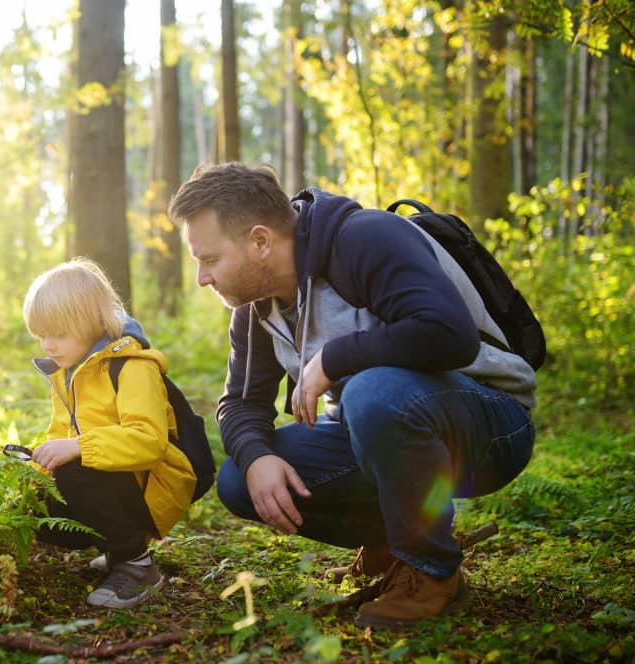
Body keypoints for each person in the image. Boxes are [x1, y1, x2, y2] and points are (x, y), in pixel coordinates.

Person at [168, 163, 536, 629]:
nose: (202, 278)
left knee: (370, 392)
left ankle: (431, 570)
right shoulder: (256, 308)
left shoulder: (364, 239)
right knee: (240, 479)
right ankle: (394, 540)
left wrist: (335, 359)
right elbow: (240, 404)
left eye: (210, 260)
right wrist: (257, 455)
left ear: (260, 241)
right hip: (384, 427)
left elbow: (450, 334)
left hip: (491, 421)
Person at [22, 257, 197, 609]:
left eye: (58, 334)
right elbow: (61, 435)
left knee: (74, 470)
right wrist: (32, 479)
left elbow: (148, 443)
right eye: (42, 335)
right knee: (34, 508)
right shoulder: (67, 372)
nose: (48, 346)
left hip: (154, 484)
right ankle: (118, 549)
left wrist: (77, 448)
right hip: (117, 479)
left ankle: (137, 566)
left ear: (89, 323)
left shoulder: (132, 368)